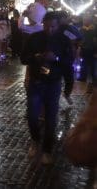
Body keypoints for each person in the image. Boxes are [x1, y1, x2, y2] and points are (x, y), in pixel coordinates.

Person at [20, 11, 74, 164]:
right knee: (32, 116)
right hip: (36, 83)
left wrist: (56, 58)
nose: (50, 29)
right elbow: (23, 58)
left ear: (57, 26)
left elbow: (68, 62)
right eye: (47, 26)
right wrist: (35, 57)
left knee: (51, 119)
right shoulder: (34, 38)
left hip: (53, 84)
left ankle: (47, 150)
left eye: (53, 27)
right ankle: (35, 140)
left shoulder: (63, 40)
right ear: (43, 24)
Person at [79, 14, 97, 94]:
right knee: (84, 65)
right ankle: (83, 79)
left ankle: (95, 81)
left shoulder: (95, 29)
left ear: (90, 20)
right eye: (83, 19)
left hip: (93, 50)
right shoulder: (82, 29)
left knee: (94, 67)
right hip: (84, 50)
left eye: (85, 19)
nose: (84, 21)